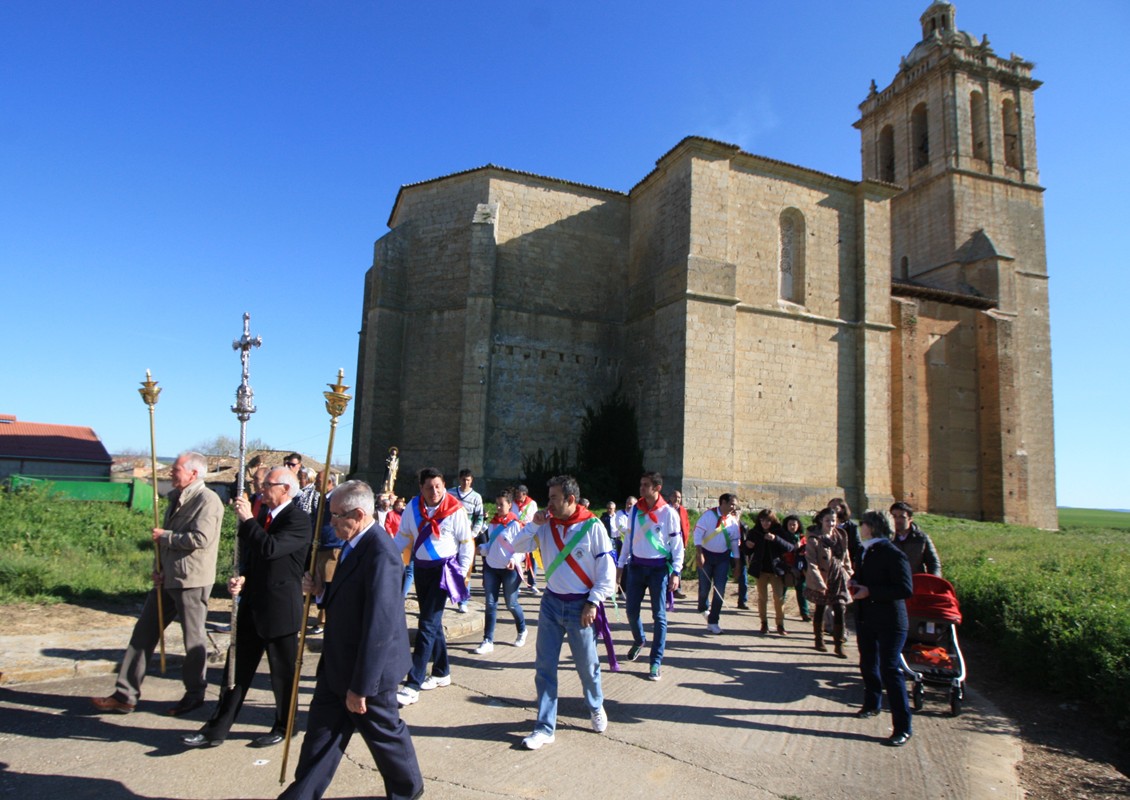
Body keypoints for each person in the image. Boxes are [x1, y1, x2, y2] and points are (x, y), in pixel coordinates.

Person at [279, 480, 424, 800]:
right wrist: (321, 591)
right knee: (320, 737)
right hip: (337, 664)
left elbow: (380, 625)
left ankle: (408, 790)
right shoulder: (353, 543)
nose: (330, 522)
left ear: (358, 514)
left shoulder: (381, 553)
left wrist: (362, 687)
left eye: (336, 515)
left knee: (384, 735)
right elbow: (351, 596)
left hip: (368, 671)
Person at [181, 467, 310, 748]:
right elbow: (254, 558)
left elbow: (271, 549)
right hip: (252, 605)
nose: (262, 488)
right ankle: (215, 730)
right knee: (235, 673)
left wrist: (249, 519)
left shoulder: (298, 520)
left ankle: (285, 725)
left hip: (280, 610)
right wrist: (242, 577)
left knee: (283, 676)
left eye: (268, 484)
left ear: (285, 489)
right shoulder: (263, 517)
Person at [92, 452, 223, 716]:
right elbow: (166, 544)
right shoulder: (176, 497)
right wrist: (158, 568)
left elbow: (201, 539)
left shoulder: (207, 500)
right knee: (143, 634)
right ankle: (125, 695)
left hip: (191, 580)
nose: (171, 473)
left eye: (176, 469)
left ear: (193, 473)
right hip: (167, 578)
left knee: (193, 640)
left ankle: (195, 694)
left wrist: (166, 537)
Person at [502, 475, 615, 750]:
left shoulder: (593, 527)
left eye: (554, 498)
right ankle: (544, 727)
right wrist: (533, 524)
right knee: (544, 667)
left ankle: (595, 705)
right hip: (551, 604)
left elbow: (607, 571)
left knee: (587, 666)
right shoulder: (545, 525)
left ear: (570, 499)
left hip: (581, 607)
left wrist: (593, 603)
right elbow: (517, 546)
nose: (548, 503)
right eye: (548, 497)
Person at [392, 468, 473, 707]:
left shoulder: (455, 509)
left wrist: (463, 574)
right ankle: (441, 672)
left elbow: (466, 543)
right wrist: (385, 556)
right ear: (421, 488)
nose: (434, 491)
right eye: (429, 487)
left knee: (426, 624)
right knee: (433, 623)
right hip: (421, 569)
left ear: (444, 485)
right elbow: (402, 537)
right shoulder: (412, 507)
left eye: (438, 486)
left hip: (444, 572)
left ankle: (413, 684)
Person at [850, 509, 914, 747]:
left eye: (863, 524)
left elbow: (905, 589)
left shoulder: (893, 554)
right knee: (868, 662)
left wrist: (870, 592)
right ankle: (872, 704)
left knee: (890, 670)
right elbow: (864, 576)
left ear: (873, 527)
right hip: (867, 617)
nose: (860, 528)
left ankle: (903, 727)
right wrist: (855, 581)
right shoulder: (864, 550)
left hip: (890, 621)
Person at [617, 472, 684, 681]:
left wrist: (676, 572)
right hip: (636, 567)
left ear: (657, 488)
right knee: (631, 611)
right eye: (641, 484)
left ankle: (656, 661)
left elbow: (677, 544)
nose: (641, 488)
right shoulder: (635, 510)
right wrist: (620, 565)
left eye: (646, 485)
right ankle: (639, 640)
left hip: (658, 570)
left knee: (659, 617)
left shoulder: (668, 513)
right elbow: (628, 539)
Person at [473, 490, 528, 654]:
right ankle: (488, 640)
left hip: (509, 570)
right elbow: (490, 546)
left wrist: (514, 559)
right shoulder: (492, 524)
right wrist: (481, 549)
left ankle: (522, 630)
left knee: (511, 604)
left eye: (501, 504)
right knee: (490, 604)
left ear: (510, 505)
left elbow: (523, 549)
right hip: (491, 568)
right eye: (496, 504)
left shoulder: (516, 525)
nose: (498, 507)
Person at [805, 507, 854, 658]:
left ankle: (839, 644)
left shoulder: (840, 536)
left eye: (833, 520)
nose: (831, 524)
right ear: (821, 521)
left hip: (839, 576)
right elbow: (811, 562)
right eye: (828, 520)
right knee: (820, 608)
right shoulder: (814, 539)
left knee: (839, 608)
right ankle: (819, 639)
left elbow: (845, 556)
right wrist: (819, 582)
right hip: (823, 577)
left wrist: (850, 574)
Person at [692, 493, 741, 635]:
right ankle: (703, 608)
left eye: (735, 505)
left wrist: (737, 563)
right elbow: (697, 534)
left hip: (723, 558)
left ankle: (713, 622)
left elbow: (734, 543)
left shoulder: (733, 521)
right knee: (704, 589)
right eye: (732, 504)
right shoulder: (708, 516)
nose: (733, 507)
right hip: (706, 556)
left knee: (720, 590)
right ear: (723, 503)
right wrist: (699, 553)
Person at [743, 509, 795, 635]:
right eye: (762, 520)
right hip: (760, 570)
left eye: (768, 521)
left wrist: (776, 539)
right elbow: (747, 551)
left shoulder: (779, 531)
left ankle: (780, 624)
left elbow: (790, 547)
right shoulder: (755, 532)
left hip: (776, 570)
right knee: (762, 598)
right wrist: (747, 545)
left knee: (779, 597)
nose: (765, 523)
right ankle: (764, 623)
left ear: (773, 521)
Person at [451, 468, 486, 613]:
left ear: (471, 481)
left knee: (466, 567)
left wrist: (473, 534)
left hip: (467, 537)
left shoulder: (476, 497)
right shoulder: (451, 493)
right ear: (459, 479)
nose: (465, 482)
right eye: (463, 479)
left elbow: (479, 517)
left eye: (468, 480)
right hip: (452, 537)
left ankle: (463, 600)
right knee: (450, 565)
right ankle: (449, 593)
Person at [310, 472, 340, 635]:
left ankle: (325, 620)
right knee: (319, 582)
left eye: (318, 481)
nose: (315, 484)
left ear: (329, 483)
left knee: (328, 583)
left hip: (332, 546)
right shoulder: (323, 498)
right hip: (321, 546)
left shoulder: (336, 499)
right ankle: (321, 617)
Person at [889, 501, 942, 576]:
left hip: (916, 580)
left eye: (902, 517)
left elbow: (933, 563)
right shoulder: (886, 539)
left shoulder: (921, 538)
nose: (897, 520)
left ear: (910, 519)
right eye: (894, 516)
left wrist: (933, 580)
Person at [779, 514, 810, 622]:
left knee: (801, 590)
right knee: (782, 591)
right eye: (790, 524)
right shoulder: (783, 537)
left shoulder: (802, 538)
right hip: (787, 567)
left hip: (800, 568)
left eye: (794, 524)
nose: (792, 527)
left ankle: (805, 613)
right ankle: (780, 611)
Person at [513, 485, 542, 595]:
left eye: (519, 494)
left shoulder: (532, 504)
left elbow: (535, 518)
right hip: (516, 535)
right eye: (516, 493)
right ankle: (516, 584)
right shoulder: (513, 504)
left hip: (529, 534)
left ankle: (532, 584)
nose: (517, 496)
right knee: (516, 560)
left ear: (525, 494)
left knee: (532, 560)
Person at [670, 490, 691, 599]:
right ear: (670, 497)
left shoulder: (682, 510)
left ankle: (676, 589)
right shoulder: (665, 509)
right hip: (668, 543)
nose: (677, 499)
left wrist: (685, 541)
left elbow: (686, 525)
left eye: (679, 497)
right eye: (675, 496)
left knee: (678, 565)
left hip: (680, 542)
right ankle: (666, 589)